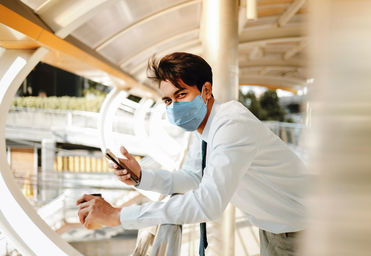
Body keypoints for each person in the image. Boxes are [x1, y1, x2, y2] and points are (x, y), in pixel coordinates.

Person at [77, 52, 309, 256]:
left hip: (301, 232)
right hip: (277, 228)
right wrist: (141, 176)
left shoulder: (231, 126)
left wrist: (118, 215)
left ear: (206, 90)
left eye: (181, 95)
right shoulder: (205, 127)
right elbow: (193, 177)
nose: (173, 107)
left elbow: (208, 204)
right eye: (168, 100)